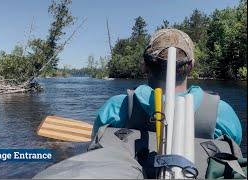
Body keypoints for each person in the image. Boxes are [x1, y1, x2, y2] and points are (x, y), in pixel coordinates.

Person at [92, 28, 242, 145]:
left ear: (144, 66)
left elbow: (97, 142)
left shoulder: (117, 107)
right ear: (191, 66)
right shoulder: (221, 112)